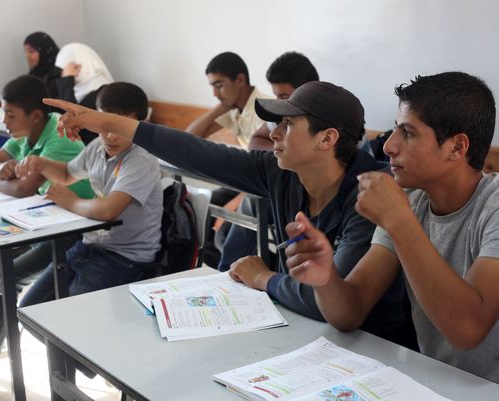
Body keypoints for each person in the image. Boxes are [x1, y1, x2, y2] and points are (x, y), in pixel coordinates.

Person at [42, 81, 409, 345]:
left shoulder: (371, 195)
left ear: (327, 139)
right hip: (303, 331)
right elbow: (198, 154)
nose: (273, 133)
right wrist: (105, 122)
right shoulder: (281, 172)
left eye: (287, 125)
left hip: (372, 349)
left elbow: (329, 302)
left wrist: (264, 277)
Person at [284, 72, 499, 382]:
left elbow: (468, 330)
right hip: (438, 382)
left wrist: (399, 221)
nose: (389, 146)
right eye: (396, 129)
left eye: (408, 132)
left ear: (457, 147)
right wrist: (326, 278)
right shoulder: (410, 198)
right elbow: (350, 312)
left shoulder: (491, 207)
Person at [0, 74, 94, 387]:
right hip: (39, 222)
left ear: (35, 115)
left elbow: (24, 188)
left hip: (75, 230)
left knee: (3, 278)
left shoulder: (58, 137)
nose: (4, 122)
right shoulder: (26, 134)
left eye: (10, 115)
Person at [17, 81, 162, 308]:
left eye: (121, 126)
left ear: (141, 124)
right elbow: (67, 174)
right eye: (104, 124)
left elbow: (109, 211)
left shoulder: (141, 158)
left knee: (71, 316)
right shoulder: (97, 147)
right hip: (90, 245)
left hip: (125, 257)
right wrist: (41, 163)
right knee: (29, 308)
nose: (111, 136)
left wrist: (70, 201)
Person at [217, 51, 319, 271]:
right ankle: (232, 272)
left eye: (284, 96)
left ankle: (232, 272)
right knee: (226, 226)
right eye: (276, 96)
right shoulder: (281, 115)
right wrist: (284, 153)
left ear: (306, 90)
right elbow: (256, 141)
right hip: (282, 188)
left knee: (251, 204)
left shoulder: (327, 115)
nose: (279, 103)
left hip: (311, 196)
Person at [186, 51, 270, 266]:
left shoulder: (264, 109)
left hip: (266, 186)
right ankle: (226, 272)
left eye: (219, 85)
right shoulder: (235, 108)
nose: (215, 93)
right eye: (212, 86)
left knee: (223, 234)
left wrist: (234, 205)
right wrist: (220, 108)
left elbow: (269, 171)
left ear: (240, 80)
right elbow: (189, 138)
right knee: (199, 213)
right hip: (247, 179)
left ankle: (261, 270)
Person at [55, 43, 114, 144]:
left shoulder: (102, 92)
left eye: (69, 68)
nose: (64, 73)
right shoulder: (78, 89)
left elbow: (73, 120)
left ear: (83, 65)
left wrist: (67, 80)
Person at [23, 31, 62, 98]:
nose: (26, 56)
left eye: (31, 51)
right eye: (25, 51)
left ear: (44, 52)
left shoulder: (58, 77)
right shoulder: (33, 75)